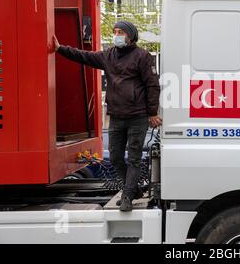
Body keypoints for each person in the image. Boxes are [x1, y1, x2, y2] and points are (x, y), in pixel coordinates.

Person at [53, 20, 161, 212]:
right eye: (115, 31)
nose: (117, 35)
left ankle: (127, 196)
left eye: (121, 32)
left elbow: (152, 85)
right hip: (116, 116)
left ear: (131, 36)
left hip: (138, 116)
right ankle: (133, 189)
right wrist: (60, 48)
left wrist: (152, 112)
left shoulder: (142, 56)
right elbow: (84, 56)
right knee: (116, 157)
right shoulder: (108, 55)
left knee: (134, 158)